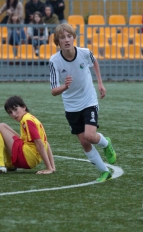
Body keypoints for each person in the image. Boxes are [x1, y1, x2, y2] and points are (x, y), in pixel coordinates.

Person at [49, 23, 117, 182]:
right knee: (84, 141)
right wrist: (64, 86)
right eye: (62, 37)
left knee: (90, 136)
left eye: (69, 36)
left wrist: (100, 83)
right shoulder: (54, 61)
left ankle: (106, 144)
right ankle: (104, 172)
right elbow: (53, 91)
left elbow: (94, 62)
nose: (66, 40)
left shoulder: (85, 53)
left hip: (89, 100)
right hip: (71, 105)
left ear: (74, 38)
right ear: (57, 42)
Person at [0, 96, 55, 174]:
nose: (14, 114)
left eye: (15, 109)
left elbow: (40, 144)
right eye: (10, 112)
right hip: (31, 157)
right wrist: (52, 168)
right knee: (3, 125)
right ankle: (10, 164)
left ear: (24, 107)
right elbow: (46, 143)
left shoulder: (27, 121)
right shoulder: (30, 118)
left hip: (27, 158)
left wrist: (49, 168)